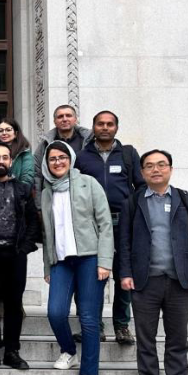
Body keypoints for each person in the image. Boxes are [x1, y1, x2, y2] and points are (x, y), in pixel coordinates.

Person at [119, 149, 188, 375]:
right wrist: (125, 273)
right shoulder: (133, 202)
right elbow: (124, 241)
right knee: (145, 336)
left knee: (178, 336)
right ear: (142, 172)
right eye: (149, 166)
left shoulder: (186, 199)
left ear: (170, 168)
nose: (155, 170)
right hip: (144, 280)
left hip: (179, 279)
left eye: (161, 165)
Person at [40, 141, 113, 375]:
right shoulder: (46, 192)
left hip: (90, 259)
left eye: (62, 157)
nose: (57, 162)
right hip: (61, 262)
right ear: (46, 164)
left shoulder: (88, 184)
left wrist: (105, 260)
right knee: (55, 312)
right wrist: (48, 264)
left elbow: (105, 224)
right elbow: (48, 233)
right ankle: (69, 350)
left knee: (89, 319)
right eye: (52, 159)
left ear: (70, 159)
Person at [75, 110, 144, 345]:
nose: (105, 127)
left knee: (124, 273)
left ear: (116, 127)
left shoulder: (128, 154)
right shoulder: (82, 157)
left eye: (109, 124)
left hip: (123, 222)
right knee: (93, 276)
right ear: (93, 127)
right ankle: (95, 326)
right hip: (92, 225)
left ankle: (122, 326)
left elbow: (141, 186)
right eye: (100, 124)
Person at [0, 143, 40, 370]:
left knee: (14, 303)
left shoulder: (22, 189)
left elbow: (33, 220)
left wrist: (25, 247)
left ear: (11, 161)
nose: (1, 161)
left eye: (5, 157)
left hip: (15, 254)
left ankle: (12, 350)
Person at [33, 104, 91, 207]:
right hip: (55, 198)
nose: (64, 119)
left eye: (68, 115)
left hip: (84, 198)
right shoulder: (45, 144)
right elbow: (37, 175)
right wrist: (39, 205)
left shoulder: (88, 142)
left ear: (75, 119)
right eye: (60, 117)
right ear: (54, 121)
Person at [0, 118, 34, 187]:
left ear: (16, 133)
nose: (4, 133)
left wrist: (13, 192)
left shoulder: (24, 152)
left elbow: (27, 180)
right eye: (1, 131)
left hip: (18, 193)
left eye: (8, 130)